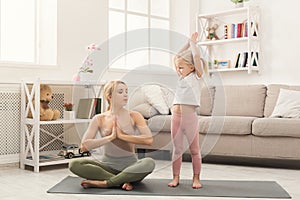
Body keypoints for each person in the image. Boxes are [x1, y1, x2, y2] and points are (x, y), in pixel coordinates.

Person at [69, 80, 155, 191]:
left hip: (131, 168)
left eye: (126, 91)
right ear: (109, 96)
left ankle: (106, 183)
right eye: (120, 92)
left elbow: (149, 140)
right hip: (106, 168)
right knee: (74, 164)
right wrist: (110, 137)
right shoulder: (99, 118)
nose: (125, 94)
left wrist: (122, 136)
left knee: (149, 163)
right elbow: (84, 146)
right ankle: (121, 181)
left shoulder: (134, 115)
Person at [168, 32, 208, 189]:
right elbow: (177, 56)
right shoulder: (181, 76)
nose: (178, 70)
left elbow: (196, 56)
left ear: (191, 67)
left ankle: (196, 178)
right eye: (177, 67)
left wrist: (193, 43)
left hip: (190, 118)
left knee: (194, 150)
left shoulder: (197, 76)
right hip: (175, 117)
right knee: (177, 149)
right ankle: (176, 177)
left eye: (181, 67)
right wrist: (187, 42)